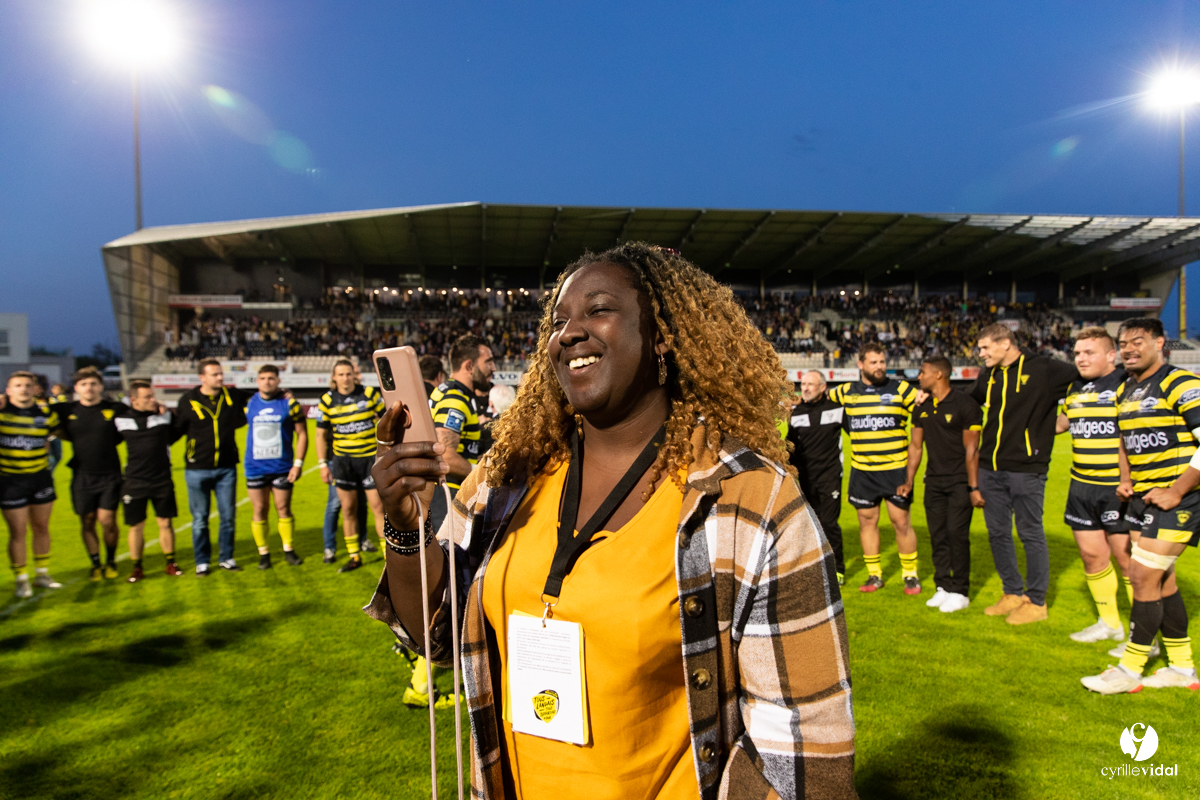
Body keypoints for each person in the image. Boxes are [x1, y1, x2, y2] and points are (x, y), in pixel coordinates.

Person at [367, 243, 856, 798]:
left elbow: (804, 750)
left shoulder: (752, 501)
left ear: (665, 336)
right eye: (558, 321)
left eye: (598, 310)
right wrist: (407, 527)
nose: (569, 333)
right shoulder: (505, 477)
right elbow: (437, 634)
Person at [1082, 318, 1199, 693]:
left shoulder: (1180, 382)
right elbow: (1125, 439)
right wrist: (1126, 478)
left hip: (1178, 497)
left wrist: (1178, 490)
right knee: (1161, 581)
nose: (1130, 348)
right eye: (1124, 343)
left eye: (1138, 341)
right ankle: (1182, 669)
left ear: (1160, 343)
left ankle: (1129, 671)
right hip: (1142, 497)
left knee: (1143, 576)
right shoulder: (1127, 390)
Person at [971, 323, 1077, 625]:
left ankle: (1036, 601)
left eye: (985, 347)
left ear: (1005, 344)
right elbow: (969, 398)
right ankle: (1012, 593)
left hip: (1026, 468)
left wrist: (1068, 415)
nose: (981, 354)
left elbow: (1083, 380)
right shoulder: (989, 375)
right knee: (998, 533)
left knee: (1030, 532)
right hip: (989, 467)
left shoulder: (1043, 368)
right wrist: (931, 395)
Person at [1055, 327, 1134, 646]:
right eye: (1076, 353)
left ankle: (1143, 633)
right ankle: (1109, 622)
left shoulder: (1127, 384)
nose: (1081, 358)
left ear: (1111, 355)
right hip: (1081, 485)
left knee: (1128, 561)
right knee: (1091, 556)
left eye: (1089, 353)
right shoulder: (1074, 388)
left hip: (1117, 487)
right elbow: (1062, 423)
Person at [828, 343, 921, 594]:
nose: (880, 367)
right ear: (860, 365)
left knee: (901, 522)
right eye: (873, 362)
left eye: (882, 362)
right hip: (863, 471)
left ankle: (910, 575)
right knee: (866, 522)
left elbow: (925, 407)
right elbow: (818, 401)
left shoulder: (902, 389)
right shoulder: (845, 392)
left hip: (896, 470)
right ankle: (874, 575)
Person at [899, 356, 983, 614]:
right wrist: (909, 480)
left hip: (959, 481)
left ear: (939, 375)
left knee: (957, 534)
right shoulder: (921, 407)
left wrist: (973, 487)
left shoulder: (966, 405)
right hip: (932, 481)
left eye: (922, 372)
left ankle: (960, 591)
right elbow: (915, 446)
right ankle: (943, 586)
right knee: (937, 535)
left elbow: (972, 450)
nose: (918, 377)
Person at [173, 359, 249, 575]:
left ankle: (227, 558)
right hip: (197, 469)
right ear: (202, 377)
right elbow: (176, 430)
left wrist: (285, 393)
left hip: (226, 468)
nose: (220, 378)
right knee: (199, 519)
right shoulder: (187, 400)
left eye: (220, 374)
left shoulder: (233, 396)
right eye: (215, 374)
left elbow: (261, 393)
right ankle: (202, 561)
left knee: (228, 517)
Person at [53, 367, 126, 580]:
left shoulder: (116, 408)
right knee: (87, 520)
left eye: (93, 384)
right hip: (82, 475)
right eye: (84, 384)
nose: (89, 388)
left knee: (107, 520)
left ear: (101, 387)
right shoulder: (66, 410)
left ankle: (111, 560)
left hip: (110, 474)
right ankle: (95, 564)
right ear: (76, 388)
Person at [315, 358, 386, 573]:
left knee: (378, 507)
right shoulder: (327, 400)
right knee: (348, 509)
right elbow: (320, 434)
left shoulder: (370, 394)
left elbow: (387, 421)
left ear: (354, 375)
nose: (345, 378)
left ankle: (388, 557)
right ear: (334, 377)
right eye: (341, 374)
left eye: (349, 374)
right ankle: (354, 556)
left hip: (369, 461)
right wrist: (322, 464)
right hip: (343, 462)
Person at [1, 372, 63, 597]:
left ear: (35, 389)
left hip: (41, 478)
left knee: (41, 528)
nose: (23, 389)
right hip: (11, 480)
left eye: (28, 385)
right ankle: (21, 579)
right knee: (17, 532)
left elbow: (57, 432)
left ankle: (42, 574)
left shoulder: (46, 413)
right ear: (9, 390)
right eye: (18, 385)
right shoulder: (2, 412)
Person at [116, 380, 184, 580]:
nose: (153, 400)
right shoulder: (121, 419)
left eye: (153, 396)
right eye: (148, 397)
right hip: (134, 480)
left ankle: (170, 562)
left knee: (165, 522)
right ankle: (137, 567)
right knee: (136, 525)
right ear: (134, 399)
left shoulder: (163, 416)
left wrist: (169, 412)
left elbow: (179, 430)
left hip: (162, 478)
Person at [427, 334, 494, 533]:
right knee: (451, 561)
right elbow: (444, 454)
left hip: (443, 493)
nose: (493, 368)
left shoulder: (450, 392)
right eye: (488, 362)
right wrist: (482, 474)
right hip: (447, 496)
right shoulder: (455, 398)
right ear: (469, 366)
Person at [785, 369, 846, 584]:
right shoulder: (796, 412)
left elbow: (856, 435)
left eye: (811, 384)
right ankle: (815, 568)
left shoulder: (838, 410)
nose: (806, 388)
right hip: (805, 479)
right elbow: (790, 446)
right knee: (810, 525)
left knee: (829, 524)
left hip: (830, 477)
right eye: (803, 384)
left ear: (823, 387)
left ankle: (837, 570)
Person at [244, 364, 308, 569]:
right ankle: (263, 553)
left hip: (282, 467)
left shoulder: (289, 404)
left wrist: (297, 464)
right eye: (262, 378)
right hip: (254, 467)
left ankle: (288, 549)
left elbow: (303, 435)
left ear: (278, 381)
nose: (267, 382)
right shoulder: (248, 403)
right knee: (259, 509)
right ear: (257, 381)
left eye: (271, 378)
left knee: (283, 508)